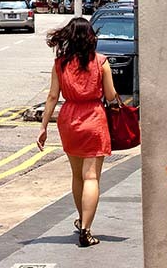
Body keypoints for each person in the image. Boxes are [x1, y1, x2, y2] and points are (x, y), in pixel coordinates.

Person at [37, 17, 120, 247]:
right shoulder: (101, 62)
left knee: (77, 176)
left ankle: (81, 219)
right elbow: (111, 96)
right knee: (91, 176)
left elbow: (52, 96)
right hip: (94, 118)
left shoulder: (60, 64)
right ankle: (86, 229)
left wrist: (43, 126)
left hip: (69, 119)